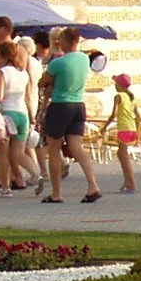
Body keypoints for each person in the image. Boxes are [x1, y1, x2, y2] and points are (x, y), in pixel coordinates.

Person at [40, 25, 102, 204]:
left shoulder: (58, 62)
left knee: (53, 149)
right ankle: (93, 185)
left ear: (67, 41)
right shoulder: (83, 59)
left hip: (60, 105)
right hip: (78, 104)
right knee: (77, 148)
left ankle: (56, 193)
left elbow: (42, 82)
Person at [0, 35, 31, 195]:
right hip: (22, 114)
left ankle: (5, 187)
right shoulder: (23, 73)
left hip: (6, 114)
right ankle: (36, 174)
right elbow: (27, 97)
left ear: (2, 56)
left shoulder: (2, 72)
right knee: (18, 153)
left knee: (3, 154)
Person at [108, 72, 141, 193]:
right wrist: (138, 131)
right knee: (120, 154)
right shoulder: (131, 98)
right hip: (132, 128)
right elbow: (138, 116)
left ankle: (131, 184)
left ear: (119, 85)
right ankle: (126, 181)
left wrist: (104, 128)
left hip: (123, 129)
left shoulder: (118, 96)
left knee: (124, 158)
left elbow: (113, 115)